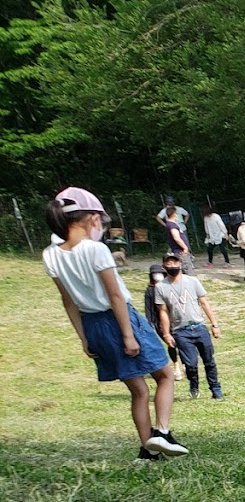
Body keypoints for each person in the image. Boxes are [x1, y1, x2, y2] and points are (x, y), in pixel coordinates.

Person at [42, 186, 188, 461]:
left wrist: (84, 338)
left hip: (91, 324)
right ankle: (163, 433)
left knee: (138, 390)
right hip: (120, 319)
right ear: (89, 218)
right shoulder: (95, 250)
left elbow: (68, 301)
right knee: (166, 375)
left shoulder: (50, 254)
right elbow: (115, 295)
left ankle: (147, 450)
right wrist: (128, 335)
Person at [154, 253, 223, 400]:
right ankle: (194, 385)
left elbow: (204, 303)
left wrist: (214, 324)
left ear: (180, 264)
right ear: (164, 266)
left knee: (209, 361)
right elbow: (163, 312)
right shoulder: (160, 287)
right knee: (190, 364)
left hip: (199, 327)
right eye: (169, 263)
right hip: (181, 331)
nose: (172, 266)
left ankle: (216, 390)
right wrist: (166, 334)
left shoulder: (192, 281)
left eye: (175, 263)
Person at [143, 263, 182, 382]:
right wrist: (150, 324)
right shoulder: (150, 291)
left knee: (181, 343)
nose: (157, 276)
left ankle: (185, 364)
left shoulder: (168, 286)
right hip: (160, 323)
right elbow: (148, 309)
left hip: (175, 320)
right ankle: (176, 367)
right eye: (155, 274)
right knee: (171, 344)